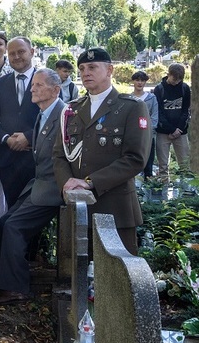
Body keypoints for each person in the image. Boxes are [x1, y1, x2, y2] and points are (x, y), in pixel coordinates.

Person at [53, 47, 150, 254]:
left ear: (109, 70)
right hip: (78, 207)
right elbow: (60, 155)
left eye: (92, 67)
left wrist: (90, 183)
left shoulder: (131, 107)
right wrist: (67, 183)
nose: (85, 72)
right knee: (78, 277)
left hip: (115, 208)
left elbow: (135, 158)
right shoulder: (72, 109)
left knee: (117, 280)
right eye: (81, 68)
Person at [0, 69, 65, 304]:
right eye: (33, 85)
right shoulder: (43, 113)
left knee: (14, 227)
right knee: (5, 220)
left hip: (53, 188)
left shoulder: (64, 115)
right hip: (38, 184)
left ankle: (15, 288)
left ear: (55, 90)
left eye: (39, 85)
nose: (32, 88)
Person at [0, 36, 39, 208]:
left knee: (33, 211)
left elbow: (54, 118)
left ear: (32, 52)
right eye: (12, 53)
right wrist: (7, 138)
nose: (16, 57)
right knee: (12, 208)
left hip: (36, 159)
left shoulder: (46, 81)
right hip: (8, 160)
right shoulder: (0, 84)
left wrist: (28, 137)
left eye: (21, 52)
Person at [154, 62, 191, 180]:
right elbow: (159, 112)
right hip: (163, 132)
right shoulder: (159, 89)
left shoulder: (185, 88)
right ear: (168, 75)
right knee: (163, 166)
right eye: (174, 79)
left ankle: (185, 191)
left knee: (184, 164)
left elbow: (186, 110)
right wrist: (170, 129)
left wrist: (179, 129)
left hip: (181, 132)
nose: (176, 82)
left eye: (179, 80)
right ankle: (163, 191)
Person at [130, 70, 159, 178]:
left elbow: (155, 117)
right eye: (137, 80)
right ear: (133, 81)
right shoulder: (129, 99)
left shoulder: (152, 98)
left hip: (148, 136)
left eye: (142, 80)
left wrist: (147, 132)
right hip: (133, 137)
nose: (140, 83)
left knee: (148, 166)